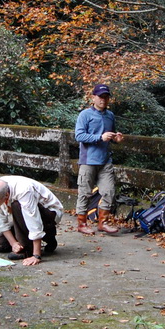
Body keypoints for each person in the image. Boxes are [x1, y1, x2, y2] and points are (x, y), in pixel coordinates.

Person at [74, 83, 124, 235]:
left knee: (109, 191)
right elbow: (79, 135)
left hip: (105, 161)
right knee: (85, 192)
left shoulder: (110, 115)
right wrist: (99, 137)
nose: (104, 99)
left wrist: (116, 138)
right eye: (101, 97)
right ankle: (82, 224)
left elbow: (111, 135)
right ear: (93, 97)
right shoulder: (85, 115)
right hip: (88, 161)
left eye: (106, 97)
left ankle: (103, 222)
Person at [0, 176, 63, 266]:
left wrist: (36, 255)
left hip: (50, 214)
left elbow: (33, 220)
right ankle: (49, 236)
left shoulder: (24, 190)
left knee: (16, 205)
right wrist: (13, 243)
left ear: (6, 195)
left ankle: (27, 248)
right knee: (0, 244)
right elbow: (1, 221)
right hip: (24, 217)